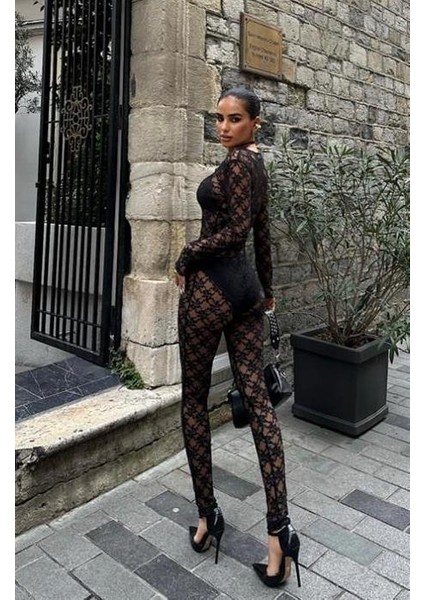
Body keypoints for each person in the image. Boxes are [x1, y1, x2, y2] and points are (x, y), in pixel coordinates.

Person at [174, 86, 301, 588]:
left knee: (193, 401)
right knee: (260, 405)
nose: (224, 127)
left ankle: (208, 516)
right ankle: (279, 536)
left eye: (235, 119)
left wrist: (187, 254)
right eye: (220, 118)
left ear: (255, 123)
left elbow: (236, 233)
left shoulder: (238, 166)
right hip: (246, 291)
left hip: (211, 289)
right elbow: (261, 233)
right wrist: (266, 292)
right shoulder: (257, 165)